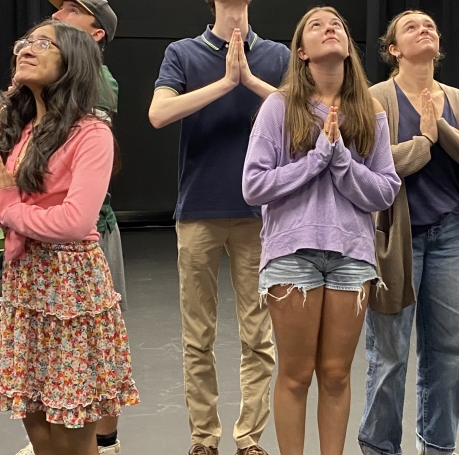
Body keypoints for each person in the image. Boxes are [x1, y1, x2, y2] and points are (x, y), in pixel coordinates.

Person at [0, 19, 139, 455]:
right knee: (40, 433)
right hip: (24, 289)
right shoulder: (3, 130)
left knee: (72, 438)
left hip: (71, 291)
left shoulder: (91, 133)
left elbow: (73, 221)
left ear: (73, 62)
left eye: (44, 42)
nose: (27, 47)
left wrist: (6, 205)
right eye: (26, 41)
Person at [242, 6, 400, 455]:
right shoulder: (279, 106)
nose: (330, 28)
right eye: (317, 24)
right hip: (292, 254)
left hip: (352, 257)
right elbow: (253, 185)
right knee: (295, 374)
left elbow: (385, 190)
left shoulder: (370, 113)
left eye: (337, 25)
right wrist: (315, 159)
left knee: (335, 373)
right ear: (302, 52)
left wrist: (341, 159)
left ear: (348, 48)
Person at [357, 10, 459, 455]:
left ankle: (438, 448)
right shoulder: (376, 96)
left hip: (449, 237)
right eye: (412, 26)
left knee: (448, 353)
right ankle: (380, 448)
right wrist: (423, 143)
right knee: (390, 356)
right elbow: (367, 165)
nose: (426, 29)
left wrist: (439, 128)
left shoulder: (456, 101)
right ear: (393, 49)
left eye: (431, 26)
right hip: (393, 241)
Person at [147, 1, 289, 454]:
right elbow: (159, 113)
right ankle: (204, 440)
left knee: (259, 336)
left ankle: (248, 440)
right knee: (198, 337)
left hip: (261, 214)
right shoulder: (183, 52)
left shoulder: (278, 55)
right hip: (198, 212)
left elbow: (304, 112)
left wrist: (248, 81)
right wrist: (226, 83)